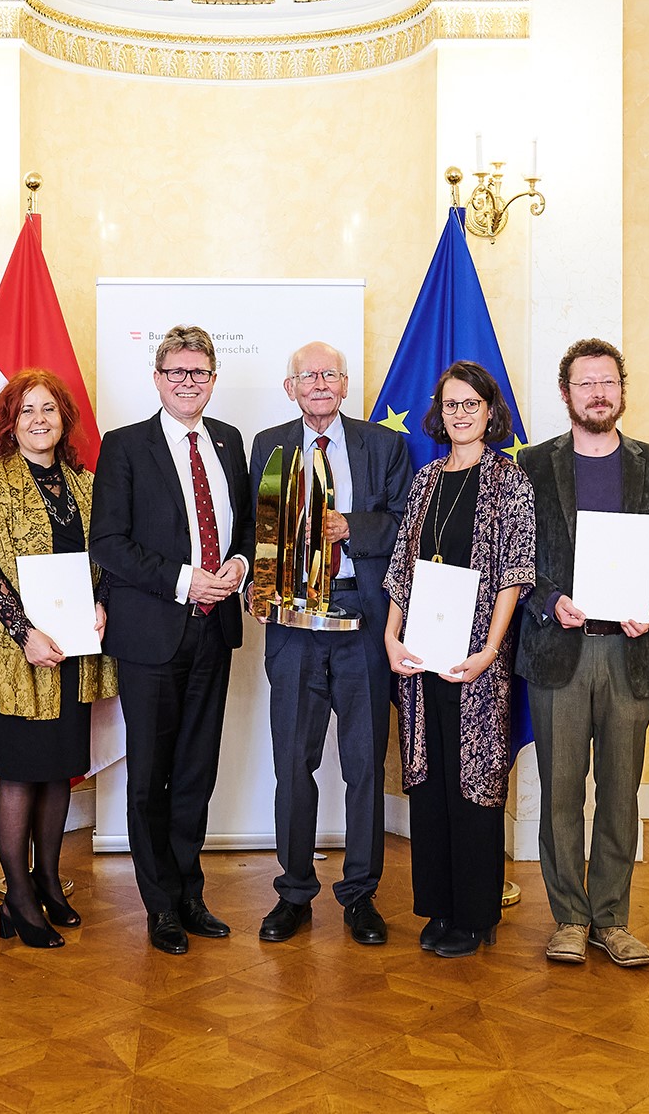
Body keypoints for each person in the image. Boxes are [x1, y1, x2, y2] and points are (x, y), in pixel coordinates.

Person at [515, 339, 649, 968]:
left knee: (620, 793)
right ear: (565, 394)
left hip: (630, 652)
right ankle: (568, 916)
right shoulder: (531, 466)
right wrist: (549, 599)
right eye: (585, 383)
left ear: (622, 389)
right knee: (561, 792)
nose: (598, 393)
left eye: (609, 382)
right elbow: (513, 557)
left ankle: (611, 919)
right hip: (558, 650)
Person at [90, 324, 255, 956]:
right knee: (150, 775)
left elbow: (240, 530)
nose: (190, 383)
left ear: (214, 379)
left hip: (214, 634)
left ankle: (190, 892)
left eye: (201, 373)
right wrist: (187, 581)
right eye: (178, 373)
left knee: (196, 772)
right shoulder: (125, 446)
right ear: (158, 379)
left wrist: (237, 568)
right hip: (151, 635)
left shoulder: (229, 441)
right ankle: (159, 905)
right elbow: (108, 542)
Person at [247, 341, 409, 946]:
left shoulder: (382, 445)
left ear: (345, 384)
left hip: (362, 622)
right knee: (293, 762)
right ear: (290, 387)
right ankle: (293, 893)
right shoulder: (269, 444)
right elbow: (255, 523)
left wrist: (350, 527)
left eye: (329, 374)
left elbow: (401, 522)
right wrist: (257, 589)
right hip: (291, 626)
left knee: (366, 765)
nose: (319, 383)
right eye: (307, 375)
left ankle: (360, 895)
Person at [383, 359, 535, 958]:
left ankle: (475, 913)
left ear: (490, 411)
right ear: (438, 413)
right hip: (420, 658)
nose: (461, 414)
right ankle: (438, 905)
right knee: (430, 777)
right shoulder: (424, 480)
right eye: (451, 405)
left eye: (472, 404)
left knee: (475, 784)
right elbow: (401, 569)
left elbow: (515, 575)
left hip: (479, 662)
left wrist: (490, 651)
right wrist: (392, 639)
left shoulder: (508, 480)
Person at [0, 370, 120, 950]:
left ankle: (50, 883)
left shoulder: (87, 484)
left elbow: (103, 560)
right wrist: (25, 632)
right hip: (22, 652)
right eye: (27, 410)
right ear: (12, 421)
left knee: (59, 771)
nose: (40, 420)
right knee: (21, 774)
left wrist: (103, 607)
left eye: (50, 410)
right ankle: (18, 895)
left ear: (64, 420)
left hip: (76, 650)